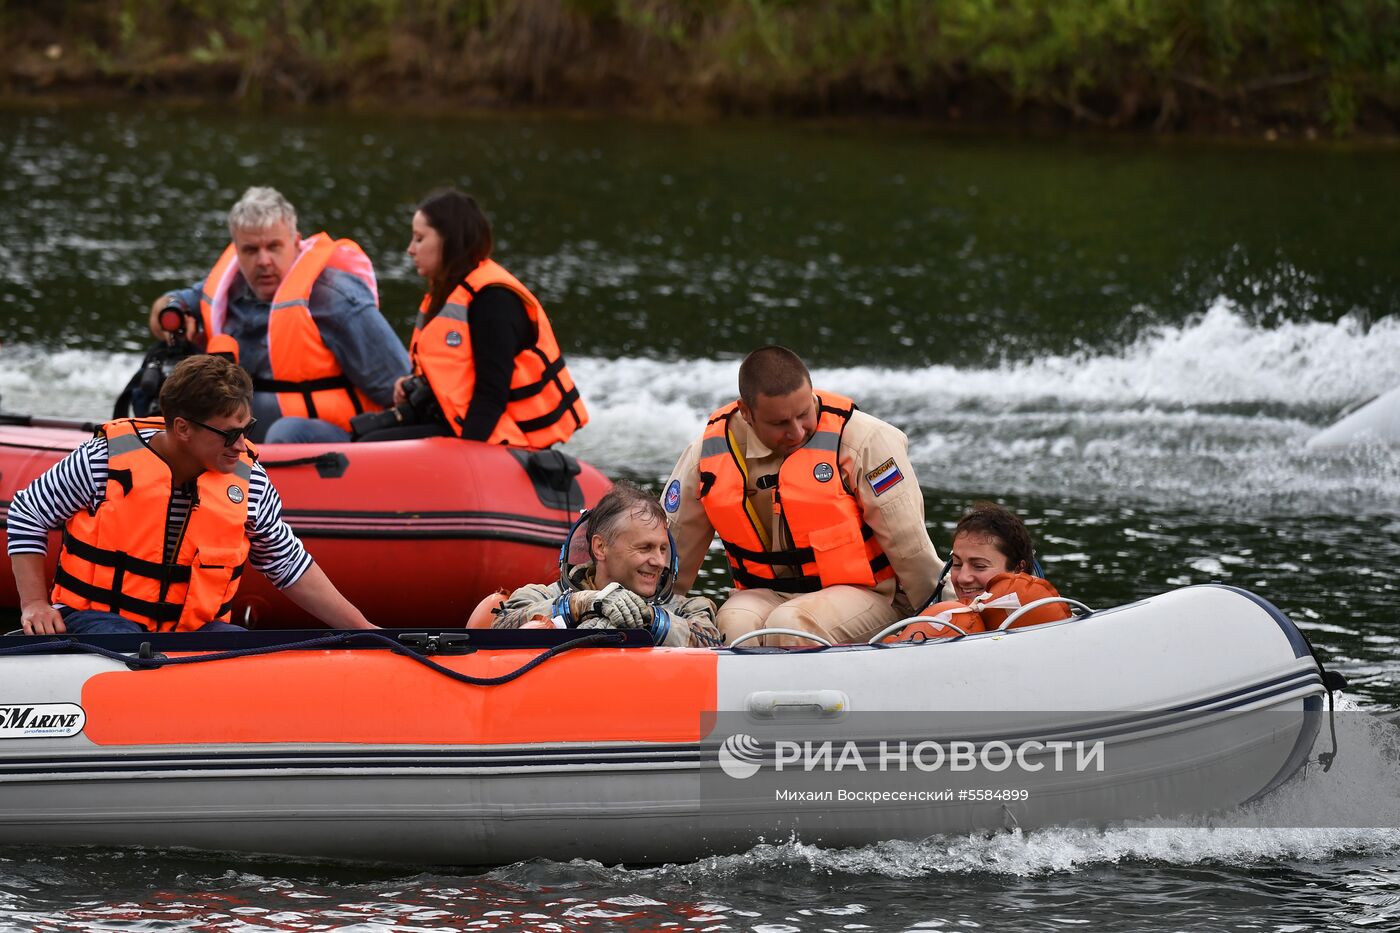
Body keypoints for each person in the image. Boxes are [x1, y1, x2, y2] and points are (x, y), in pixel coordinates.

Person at [7, 355, 378, 635]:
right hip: (95, 620)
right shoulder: (103, 460)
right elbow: (28, 513)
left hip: (189, 632)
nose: (240, 444)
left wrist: (367, 632)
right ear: (182, 428)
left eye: (245, 429)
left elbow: (288, 564)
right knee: (123, 641)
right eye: (228, 433)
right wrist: (35, 604)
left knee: (245, 651)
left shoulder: (251, 484)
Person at [663, 346, 943, 646]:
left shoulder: (866, 441)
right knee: (735, 624)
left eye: (804, 413)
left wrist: (942, 615)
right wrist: (644, 614)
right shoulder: (707, 455)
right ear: (746, 413)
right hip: (768, 594)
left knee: (791, 624)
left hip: (873, 594)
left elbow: (911, 551)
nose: (796, 432)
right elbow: (666, 555)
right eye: (780, 423)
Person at [148, 186, 409, 444]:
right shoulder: (228, 288)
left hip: (337, 442)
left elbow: (399, 385)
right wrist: (167, 314)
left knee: (286, 433)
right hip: (241, 436)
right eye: (251, 250)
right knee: (160, 386)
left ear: (295, 244)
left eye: (274, 247)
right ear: (237, 251)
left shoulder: (337, 298)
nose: (263, 261)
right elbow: (172, 302)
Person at [364, 189, 586, 445]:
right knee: (363, 434)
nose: (410, 250)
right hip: (457, 423)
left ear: (449, 240)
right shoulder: (449, 294)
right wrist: (412, 386)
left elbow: (491, 395)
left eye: (419, 239)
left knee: (373, 444)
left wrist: (468, 454)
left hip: (505, 441)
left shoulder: (493, 301)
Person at [492, 483, 722, 647]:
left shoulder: (689, 609)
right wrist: (582, 604)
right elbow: (497, 630)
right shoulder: (538, 596)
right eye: (645, 548)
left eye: (663, 549)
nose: (659, 562)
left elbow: (712, 645)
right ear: (600, 548)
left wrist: (648, 618)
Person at [899, 501, 1070, 639]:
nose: (963, 578)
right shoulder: (939, 622)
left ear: (1019, 568)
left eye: (979, 566)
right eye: (957, 564)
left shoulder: (1052, 625)